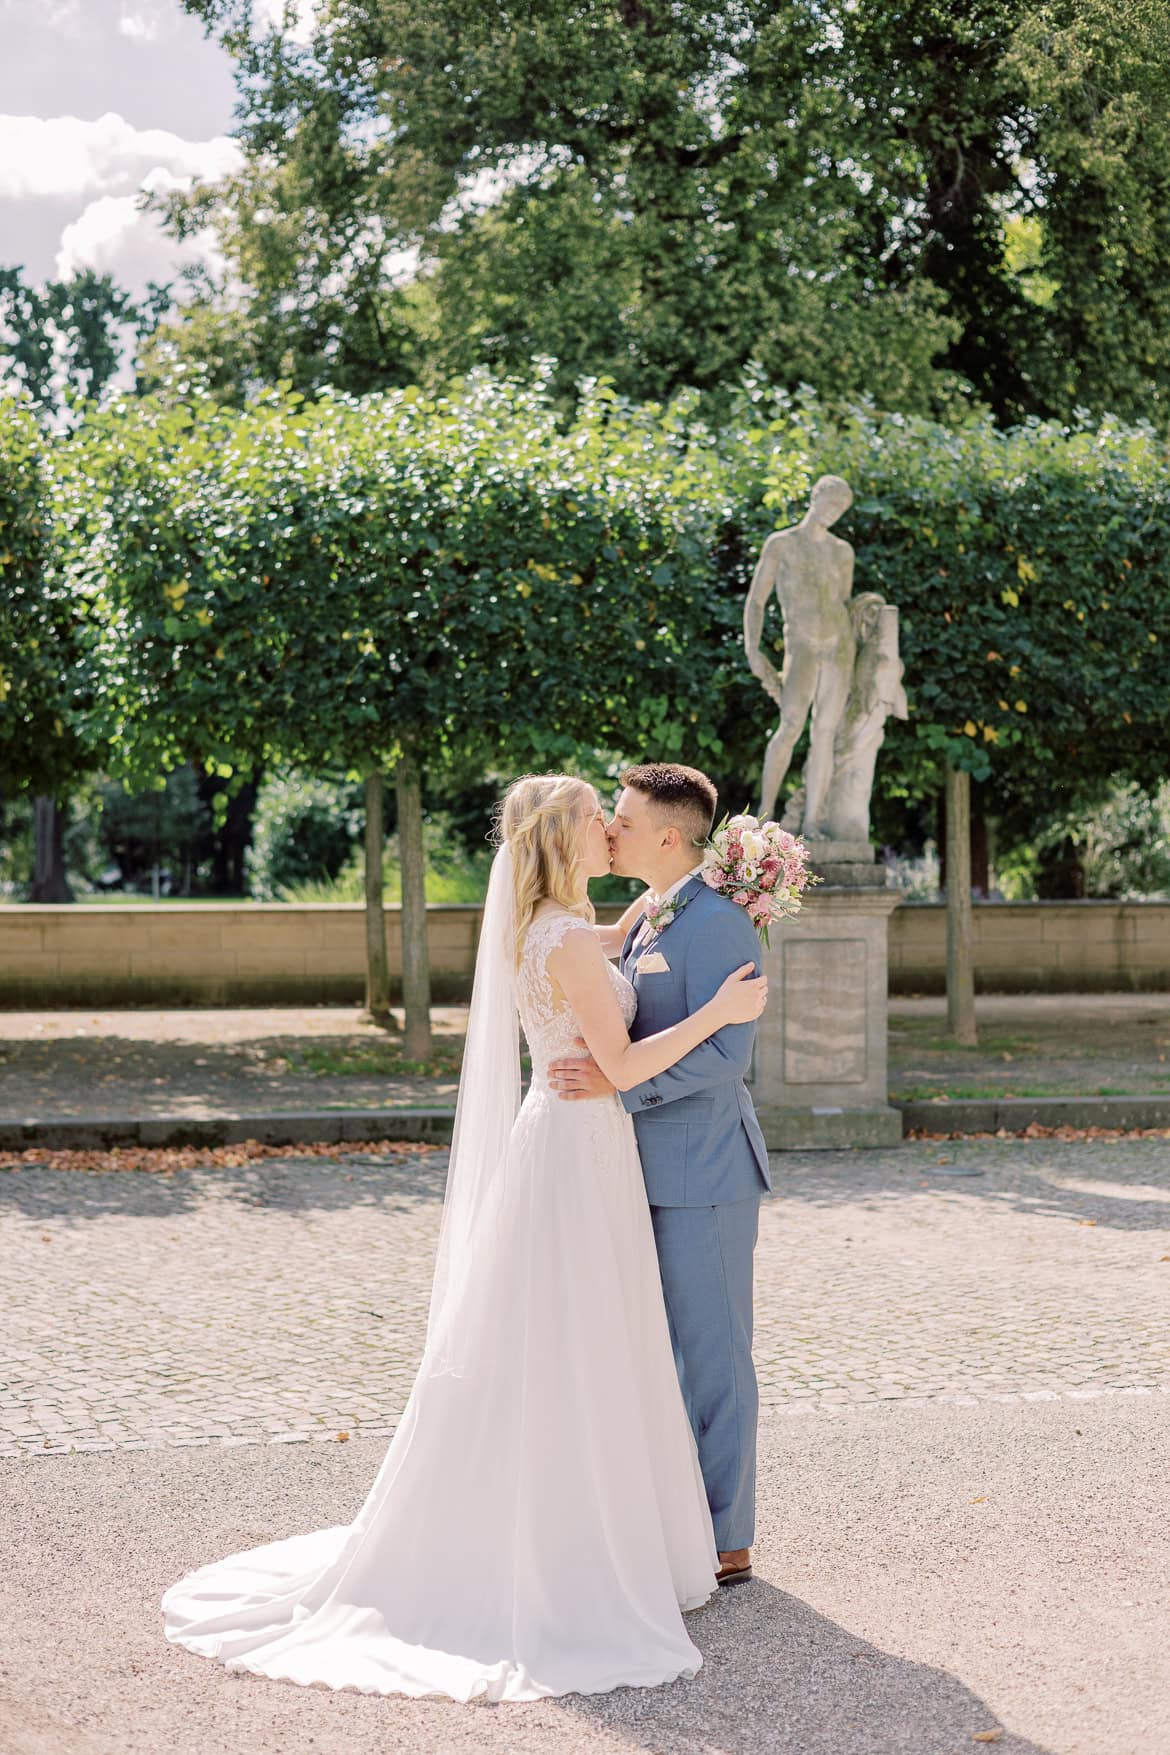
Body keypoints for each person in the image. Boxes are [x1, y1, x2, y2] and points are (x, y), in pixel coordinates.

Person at [162, 773, 767, 1703]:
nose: (610, 829)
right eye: (593, 821)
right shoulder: (564, 938)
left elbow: (617, 943)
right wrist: (720, 1013)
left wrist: (668, 909)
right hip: (579, 1148)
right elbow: (621, 1062)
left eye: (620, 820)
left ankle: (581, 1517)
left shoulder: (559, 927)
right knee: (586, 1336)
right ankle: (581, 1540)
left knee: (563, 1335)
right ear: (559, 842)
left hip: (564, 1146)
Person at [548, 763, 771, 1588]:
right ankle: (675, 1523)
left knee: (714, 1356)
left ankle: (727, 1537)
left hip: (704, 1171)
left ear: (669, 836)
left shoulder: (717, 925)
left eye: (626, 819)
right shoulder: (647, 917)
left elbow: (728, 1051)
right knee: (657, 1356)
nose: (611, 828)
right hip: (634, 1168)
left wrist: (622, 1080)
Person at [743, 474, 857, 832]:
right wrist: (752, 647)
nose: (835, 512)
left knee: (826, 732)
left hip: (838, 646)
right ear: (816, 495)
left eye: (842, 508)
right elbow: (756, 600)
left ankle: (811, 822)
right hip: (802, 643)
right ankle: (764, 813)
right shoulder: (782, 543)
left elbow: (843, 602)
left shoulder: (842, 551)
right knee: (791, 724)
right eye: (832, 502)